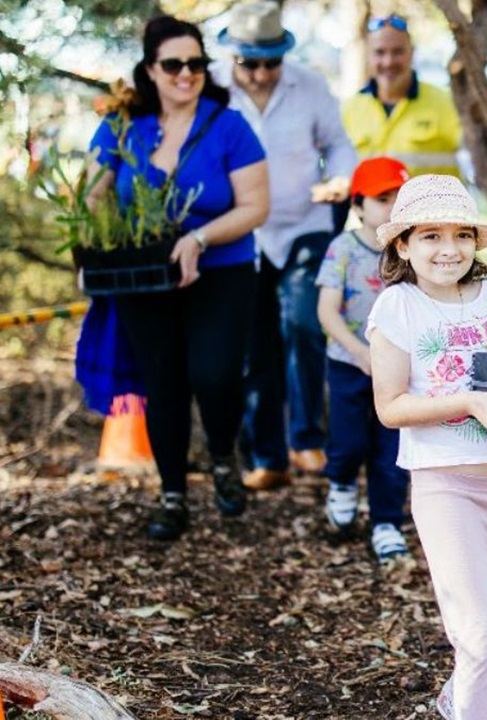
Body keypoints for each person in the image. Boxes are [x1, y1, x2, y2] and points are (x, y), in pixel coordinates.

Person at [85, 15, 269, 540]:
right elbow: (92, 200)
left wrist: (199, 237)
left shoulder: (229, 125)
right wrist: (96, 247)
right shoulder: (123, 125)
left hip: (223, 272)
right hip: (145, 278)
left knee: (214, 376)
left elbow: (257, 206)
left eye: (195, 63)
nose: (185, 73)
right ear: (150, 69)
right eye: (173, 64)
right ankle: (172, 495)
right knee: (161, 384)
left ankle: (221, 455)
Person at [367, 174, 487, 720]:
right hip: (444, 485)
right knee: (479, 634)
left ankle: (458, 699)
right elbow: (390, 407)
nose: (448, 249)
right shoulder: (398, 308)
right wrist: (470, 401)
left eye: (461, 235)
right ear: (403, 245)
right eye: (431, 236)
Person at [213, 1, 358, 490]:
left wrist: (341, 177)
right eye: (248, 63)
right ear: (232, 57)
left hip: (304, 223)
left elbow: (338, 143)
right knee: (255, 344)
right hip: (239, 231)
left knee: (303, 324)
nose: (259, 74)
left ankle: (306, 439)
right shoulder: (212, 87)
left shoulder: (310, 84)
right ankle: (267, 457)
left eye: (269, 62)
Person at [315, 156, 412, 562]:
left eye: (399, 197)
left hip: (401, 368)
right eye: (381, 198)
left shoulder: (411, 249)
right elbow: (326, 311)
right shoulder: (343, 248)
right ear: (357, 205)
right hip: (349, 362)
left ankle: (386, 522)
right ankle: (340, 484)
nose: (391, 206)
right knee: (349, 440)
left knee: (393, 448)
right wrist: (359, 354)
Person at [342, 14, 462, 178]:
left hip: (433, 204)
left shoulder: (447, 103)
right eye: (380, 52)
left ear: (412, 53)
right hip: (370, 204)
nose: (388, 62)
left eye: (397, 52)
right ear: (368, 56)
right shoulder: (348, 110)